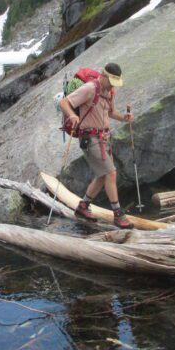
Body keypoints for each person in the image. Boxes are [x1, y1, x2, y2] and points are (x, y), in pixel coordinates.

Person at [59, 62, 135, 229]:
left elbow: (110, 113)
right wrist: (72, 116)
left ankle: (83, 207)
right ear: (105, 76)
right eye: (112, 81)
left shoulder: (109, 92)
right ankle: (118, 214)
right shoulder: (90, 88)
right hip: (89, 138)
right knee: (111, 173)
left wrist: (124, 118)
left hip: (103, 138)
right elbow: (64, 103)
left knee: (102, 176)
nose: (113, 86)